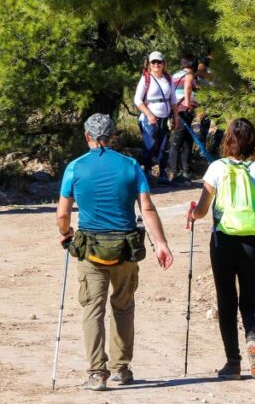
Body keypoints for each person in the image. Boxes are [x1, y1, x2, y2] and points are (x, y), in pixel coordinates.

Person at [56, 114, 174, 392]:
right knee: (123, 306)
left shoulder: (74, 168)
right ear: (113, 136)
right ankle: (121, 368)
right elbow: (146, 208)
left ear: (87, 136)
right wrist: (161, 244)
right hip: (125, 249)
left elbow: (63, 213)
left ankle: (98, 373)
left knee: (92, 310)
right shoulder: (131, 166)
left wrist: (66, 233)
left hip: (91, 250)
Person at [188, 118, 255, 381]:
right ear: (254, 141)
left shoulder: (217, 168)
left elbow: (202, 211)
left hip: (223, 242)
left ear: (228, 140)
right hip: (253, 242)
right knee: (250, 301)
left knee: (226, 302)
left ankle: (233, 363)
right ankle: (252, 337)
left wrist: (192, 215)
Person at [134, 51, 177, 185]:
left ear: (163, 64)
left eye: (159, 62)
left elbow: (173, 100)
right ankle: (147, 173)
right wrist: (149, 114)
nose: (156, 65)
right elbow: (137, 100)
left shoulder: (168, 79)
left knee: (164, 147)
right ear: (150, 64)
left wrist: (176, 117)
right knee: (150, 147)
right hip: (149, 119)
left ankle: (163, 175)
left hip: (165, 117)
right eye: (154, 62)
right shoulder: (146, 78)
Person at [167, 54, 198, 184]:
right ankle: (176, 172)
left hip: (175, 110)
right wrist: (187, 104)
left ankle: (183, 171)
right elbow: (188, 88)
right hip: (184, 111)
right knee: (179, 141)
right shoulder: (189, 75)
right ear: (193, 64)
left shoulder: (175, 75)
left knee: (184, 141)